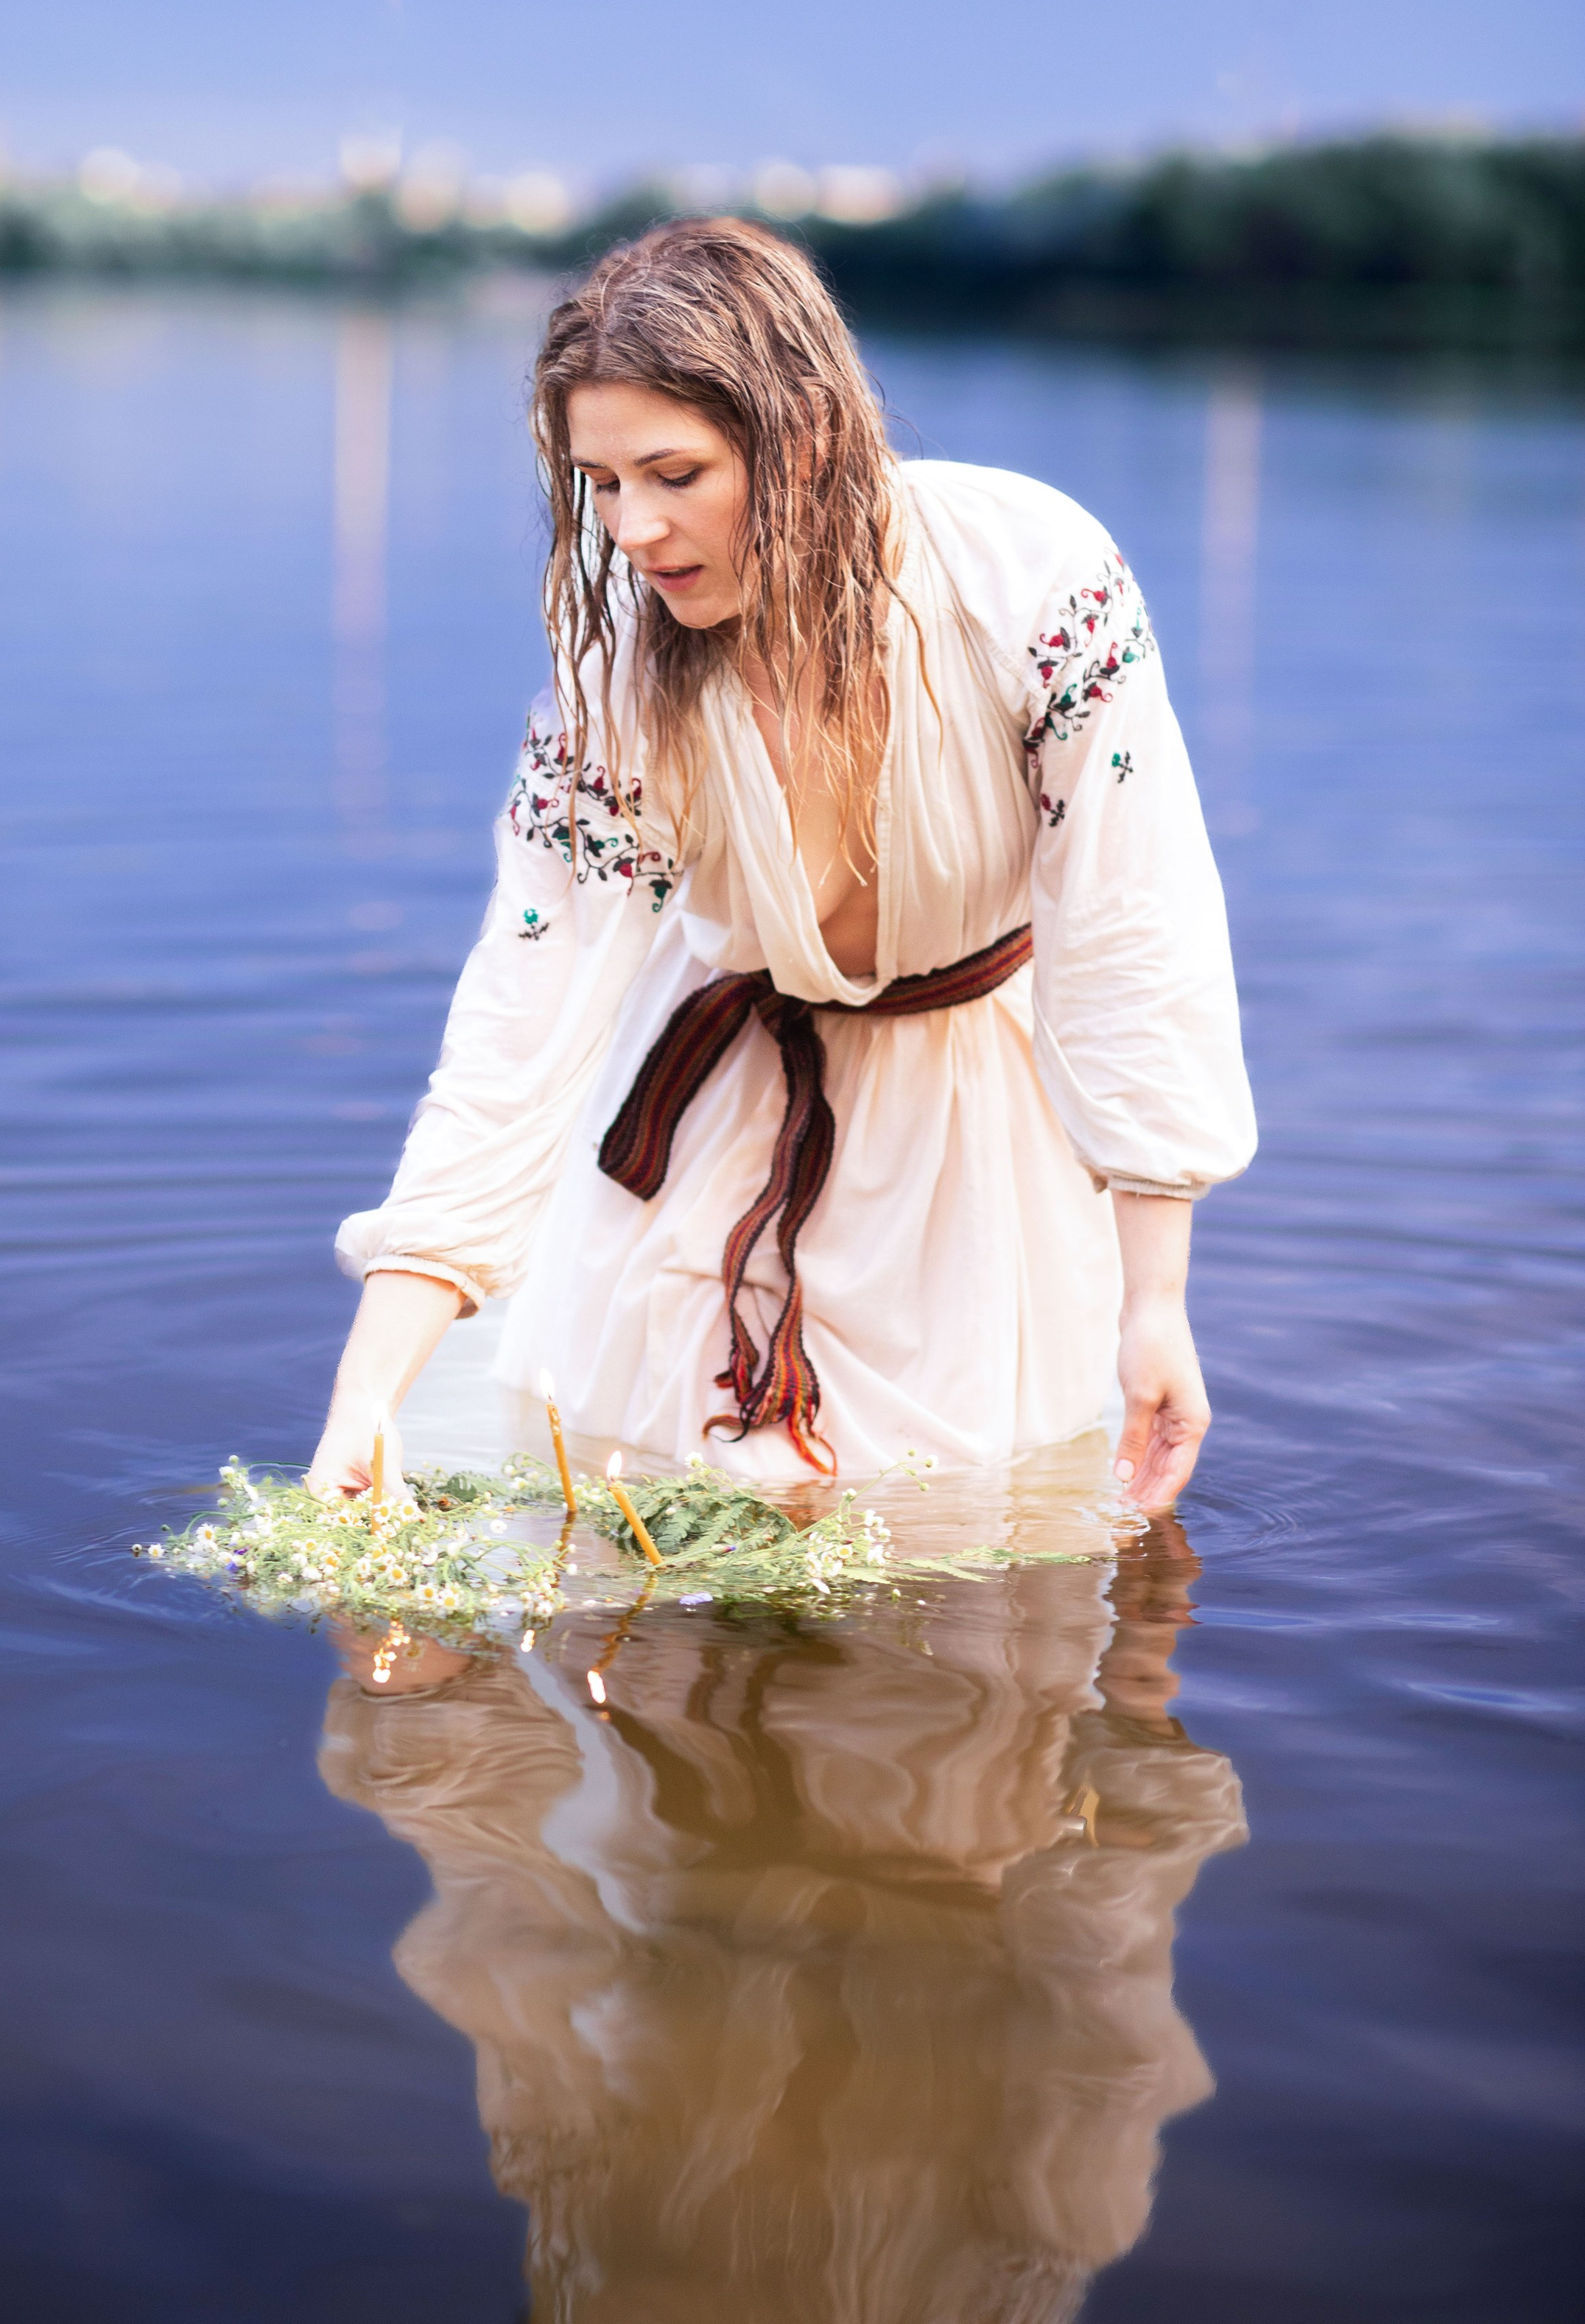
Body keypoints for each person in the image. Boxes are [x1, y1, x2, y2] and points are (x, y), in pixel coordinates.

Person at [309, 218, 1254, 1509]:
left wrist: (1157, 1300)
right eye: (599, 484)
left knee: (939, 1571)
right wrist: (369, 1393)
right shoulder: (618, 690)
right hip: (714, 1128)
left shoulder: (1032, 580)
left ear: (799, 434)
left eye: (673, 472)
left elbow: (1131, 921)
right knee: (641, 1550)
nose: (632, 530)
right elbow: (521, 1023)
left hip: (971, 1146)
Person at [319, 1533, 1247, 2323]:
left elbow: (526, 1970)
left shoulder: (1023, 2236)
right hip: (879, 1745)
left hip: (825, 1749)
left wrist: (414, 1705)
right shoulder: (1027, 2236)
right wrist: (1137, 1696)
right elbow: (1100, 2016)